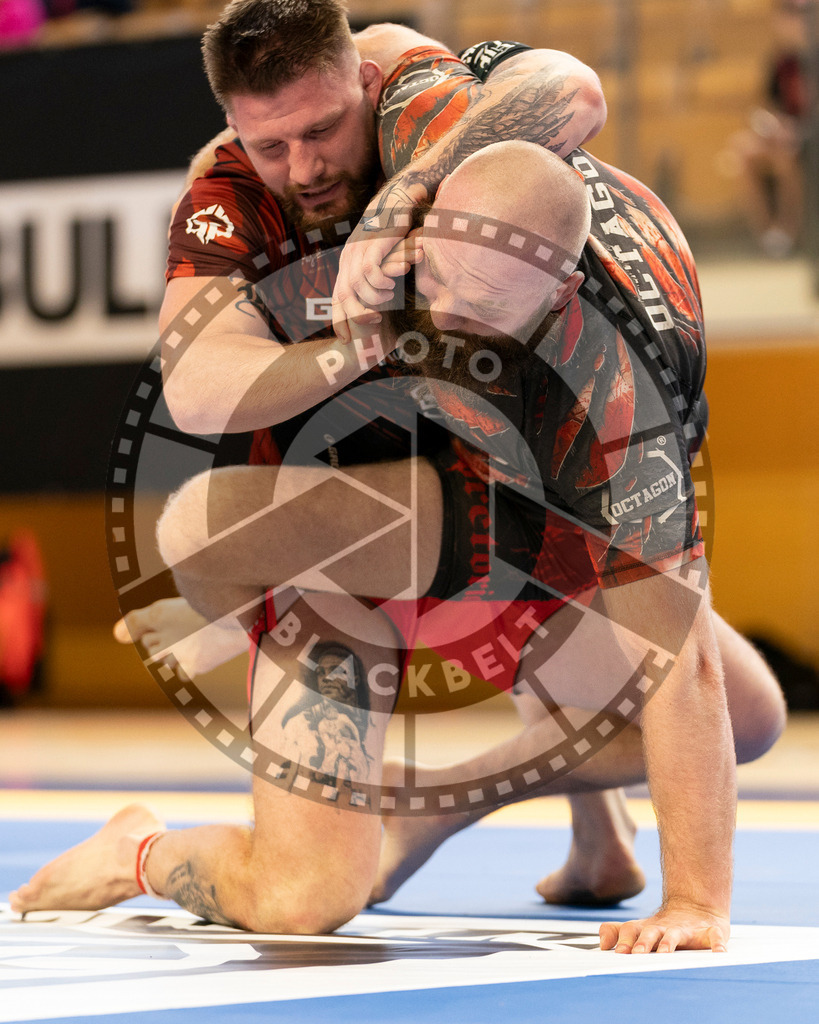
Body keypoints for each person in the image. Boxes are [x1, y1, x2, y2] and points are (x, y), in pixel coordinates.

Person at [13, 6, 785, 954]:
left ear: (554, 292)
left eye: (480, 322)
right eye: (273, 143)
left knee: (743, 712)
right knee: (302, 896)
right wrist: (369, 306)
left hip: (498, 501)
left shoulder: (617, 407)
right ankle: (139, 849)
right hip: (366, 512)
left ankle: (445, 811)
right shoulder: (397, 124)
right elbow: (201, 391)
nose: (447, 329)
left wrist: (697, 902)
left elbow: (683, 666)